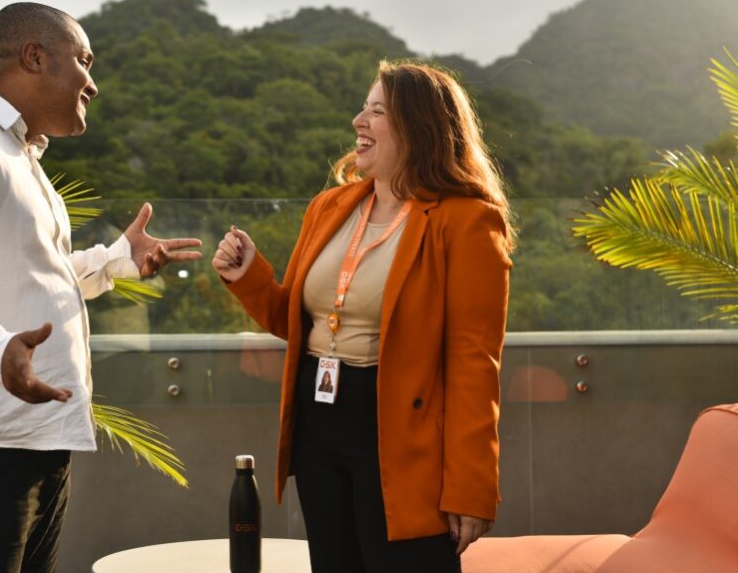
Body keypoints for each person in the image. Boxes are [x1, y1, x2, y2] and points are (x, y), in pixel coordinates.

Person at [0, 2, 202, 573]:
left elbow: (27, 275)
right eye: (84, 61)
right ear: (34, 56)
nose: (93, 84)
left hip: (30, 437)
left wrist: (117, 260)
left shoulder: (17, 153)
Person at [212, 61, 513, 573]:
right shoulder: (328, 207)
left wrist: (470, 486)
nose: (359, 121)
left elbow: (474, 361)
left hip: (399, 429)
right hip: (319, 419)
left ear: (419, 128)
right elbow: (300, 322)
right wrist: (251, 277)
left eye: (377, 111)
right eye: (363, 108)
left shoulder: (468, 221)